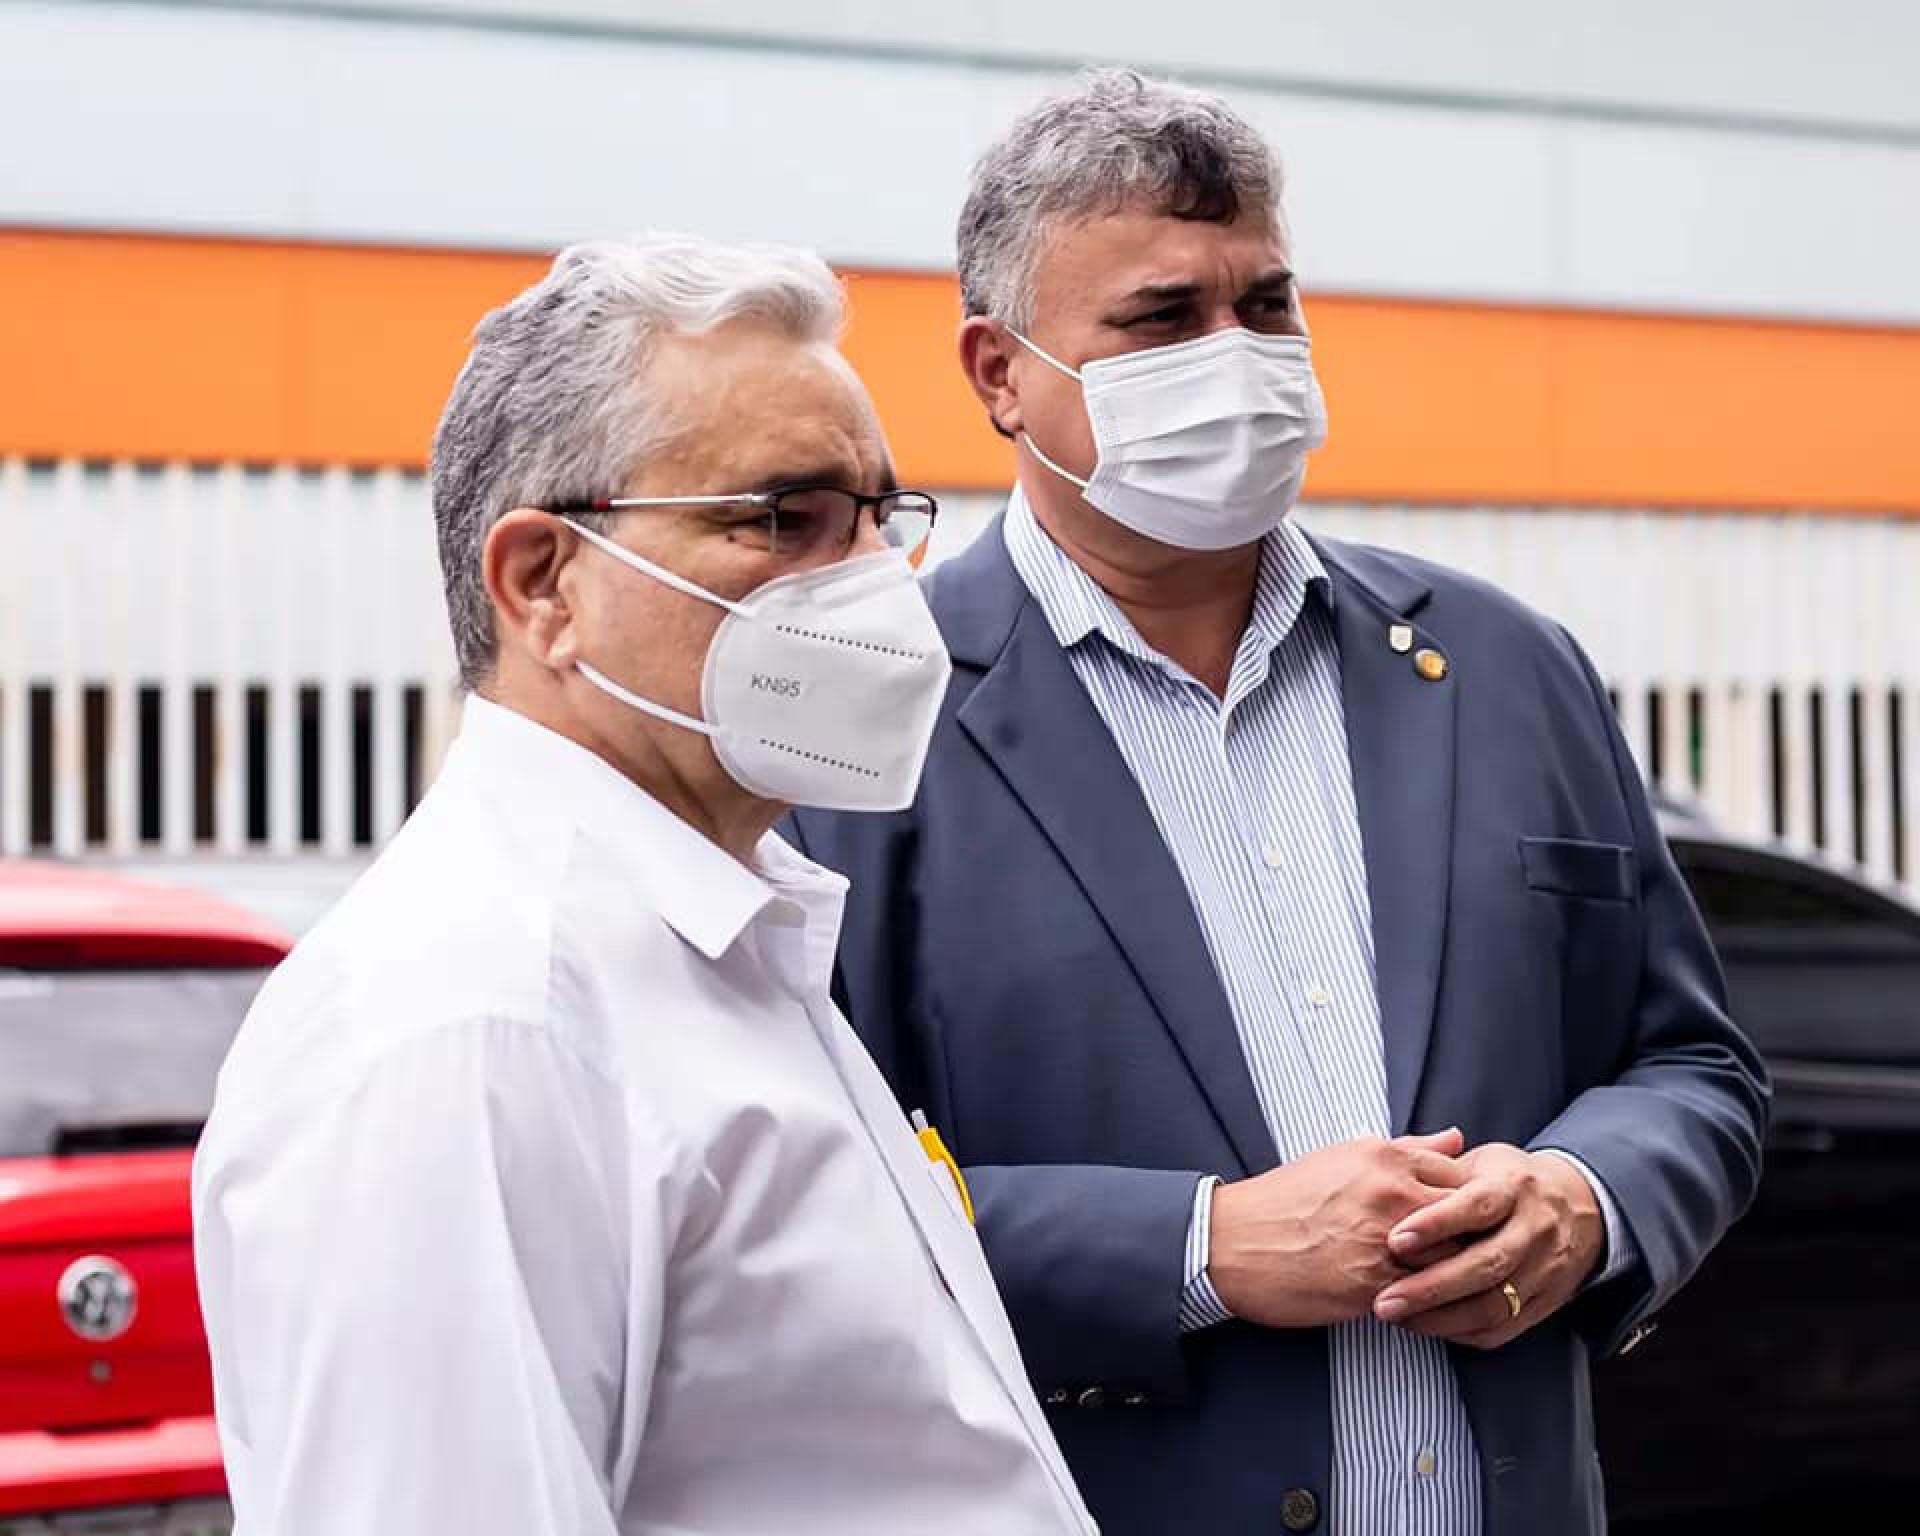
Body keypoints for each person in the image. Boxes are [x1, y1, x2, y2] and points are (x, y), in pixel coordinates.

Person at [787, 71, 1769, 1536]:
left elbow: (1695, 1066)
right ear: (998, 373)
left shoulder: (1505, 667)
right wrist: (1198, 1249)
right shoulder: (860, 720)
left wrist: (1589, 1198)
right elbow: (794, 1210)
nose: (1235, 355)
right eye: (1163, 318)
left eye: (1269, 304)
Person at [192, 234, 1096, 1536]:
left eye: (874, 524)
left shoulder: (716, 939)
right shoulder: (479, 1023)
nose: (870, 591)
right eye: (784, 520)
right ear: (544, 586)